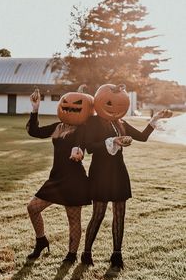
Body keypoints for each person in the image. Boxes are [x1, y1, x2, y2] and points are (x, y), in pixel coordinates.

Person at [81, 84, 172, 269]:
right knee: (98, 214)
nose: (115, 107)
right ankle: (86, 253)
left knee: (119, 214)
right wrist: (112, 141)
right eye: (110, 103)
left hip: (118, 172)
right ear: (100, 101)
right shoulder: (93, 122)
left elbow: (143, 136)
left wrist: (155, 119)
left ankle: (116, 256)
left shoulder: (120, 122)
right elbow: (90, 147)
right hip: (99, 172)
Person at [26, 89, 93, 263]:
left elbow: (80, 143)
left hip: (74, 180)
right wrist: (35, 109)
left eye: (76, 108)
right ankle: (41, 241)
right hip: (55, 178)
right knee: (33, 207)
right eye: (66, 106)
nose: (70, 111)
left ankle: (71, 255)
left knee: (73, 219)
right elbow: (34, 131)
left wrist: (78, 150)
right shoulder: (58, 126)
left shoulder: (84, 128)